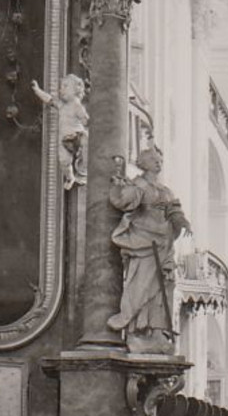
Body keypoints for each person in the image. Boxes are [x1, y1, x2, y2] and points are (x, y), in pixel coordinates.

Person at [107, 148, 192, 351]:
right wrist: (120, 184)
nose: (158, 163)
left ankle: (156, 331)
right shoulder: (139, 184)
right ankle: (136, 330)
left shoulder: (166, 190)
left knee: (162, 288)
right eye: (154, 159)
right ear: (143, 163)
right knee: (141, 284)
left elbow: (175, 211)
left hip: (163, 242)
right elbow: (123, 201)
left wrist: (183, 221)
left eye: (160, 160)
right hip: (143, 240)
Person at [31, 73, 89, 190]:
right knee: (63, 161)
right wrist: (37, 90)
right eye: (61, 87)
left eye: (65, 86)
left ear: (76, 90)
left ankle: (83, 172)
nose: (60, 90)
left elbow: (86, 121)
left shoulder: (77, 106)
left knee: (86, 141)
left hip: (76, 136)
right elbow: (49, 99)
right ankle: (70, 177)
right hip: (64, 140)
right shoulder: (62, 105)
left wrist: (84, 123)